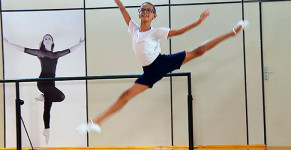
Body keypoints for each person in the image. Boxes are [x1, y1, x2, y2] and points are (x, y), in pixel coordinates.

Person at [77, 0, 248, 133]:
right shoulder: (133, 29)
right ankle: (96, 123)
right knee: (126, 95)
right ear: (139, 14)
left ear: (154, 16)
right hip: (150, 72)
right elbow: (122, 9)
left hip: (161, 62)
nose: (145, 12)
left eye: (149, 10)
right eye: (142, 10)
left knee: (199, 50)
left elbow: (179, 32)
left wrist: (197, 22)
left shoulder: (156, 31)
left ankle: (232, 32)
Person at [4, 34, 85, 144]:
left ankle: (47, 129)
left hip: (51, 84)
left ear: (52, 42)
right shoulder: (40, 53)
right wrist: (8, 44)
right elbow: (24, 49)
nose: (47, 40)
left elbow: (69, 50)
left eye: (49, 38)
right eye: (45, 39)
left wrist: (80, 44)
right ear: (43, 42)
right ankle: (43, 97)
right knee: (61, 96)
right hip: (42, 82)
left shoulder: (56, 54)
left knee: (48, 106)